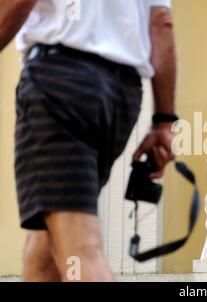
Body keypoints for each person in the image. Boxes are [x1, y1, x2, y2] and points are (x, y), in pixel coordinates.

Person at [0, 0, 177, 281]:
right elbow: (161, 24)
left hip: (60, 82)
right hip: (122, 95)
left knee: (80, 253)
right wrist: (164, 121)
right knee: (44, 244)